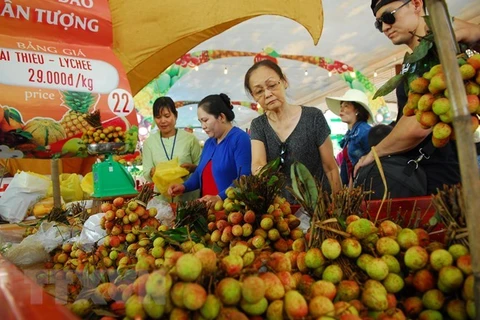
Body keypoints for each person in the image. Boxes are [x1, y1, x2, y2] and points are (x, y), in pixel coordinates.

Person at [355, 0, 480, 194]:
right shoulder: (415, 61)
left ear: (415, 4)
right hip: (424, 174)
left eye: (389, 16)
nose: (385, 27)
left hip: (436, 177)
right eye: (379, 24)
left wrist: (375, 153)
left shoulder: (442, 49)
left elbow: (419, 125)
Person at [244, 60, 341, 202]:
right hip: (283, 213)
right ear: (254, 97)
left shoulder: (313, 117)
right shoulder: (259, 125)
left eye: (271, 85)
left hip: (319, 207)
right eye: (259, 91)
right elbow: (258, 163)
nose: (268, 94)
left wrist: (339, 204)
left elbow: (330, 167)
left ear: (284, 82)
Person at [168, 94, 252, 208]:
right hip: (208, 211)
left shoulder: (240, 139)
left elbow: (244, 178)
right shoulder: (209, 143)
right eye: (200, 121)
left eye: (205, 120)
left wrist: (219, 197)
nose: (203, 126)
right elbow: (199, 173)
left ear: (221, 117)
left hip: (231, 212)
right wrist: (184, 187)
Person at [142, 96, 202, 202]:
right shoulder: (149, 142)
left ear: (176, 115)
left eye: (167, 116)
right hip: (162, 201)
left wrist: (192, 168)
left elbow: (202, 168)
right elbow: (146, 172)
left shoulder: (190, 139)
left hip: (188, 200)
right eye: (158, 117)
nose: (163, 121)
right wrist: (152, 172)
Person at [326, 89, 374, 185]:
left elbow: (376, 157)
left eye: (346, 106)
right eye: (341, 106)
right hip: (356, 187)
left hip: (366, 185)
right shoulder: (350, 134)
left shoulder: (364, 131)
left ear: (357, 110)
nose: (341, 109)